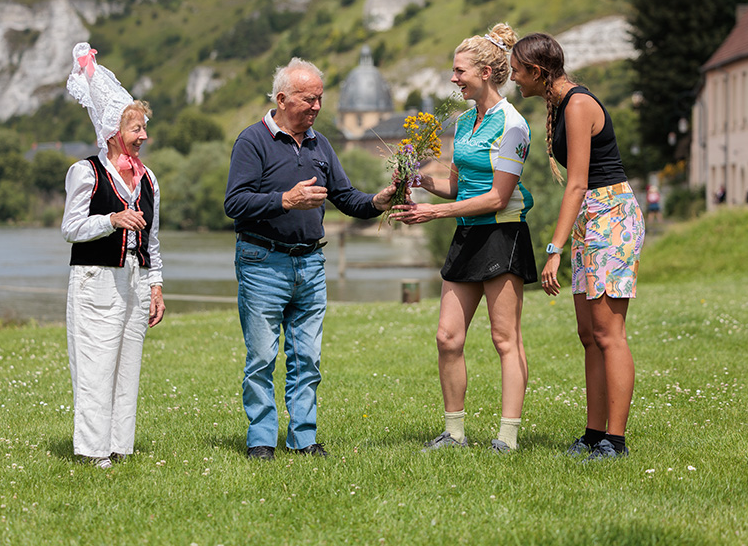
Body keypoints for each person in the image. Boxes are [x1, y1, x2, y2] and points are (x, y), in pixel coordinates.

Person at [224, 57, 397, 460]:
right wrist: (286, 200)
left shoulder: (321, 145)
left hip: (310, 265)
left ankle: (303, 440)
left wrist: (376, 201)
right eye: (308, 98)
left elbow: (346, 197)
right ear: (282, 99)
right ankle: (261, 441)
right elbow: (235, 202)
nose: (317, 106)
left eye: (320, 98)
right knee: (263, 357)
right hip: (262, 261)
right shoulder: (252, 141)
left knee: (307, 359)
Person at [393, 23, 536, 454]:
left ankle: (507, 438)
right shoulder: (466, 122)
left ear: (487, 72)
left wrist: (434, 212)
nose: (453, 79)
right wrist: (415, 177)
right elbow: (458, 188)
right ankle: (454, 433)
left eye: (459, 71)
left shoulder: (512, 125)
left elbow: (497, 196)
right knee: (447, 337)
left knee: (504, 338)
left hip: (501, 234)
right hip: (466, 233)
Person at [509, 32, 644, 461]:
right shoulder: (560, 104)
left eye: (517, 71)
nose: (514, 79)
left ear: (536, 71)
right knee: (589, 334)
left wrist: (554, 248)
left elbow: (580, 183)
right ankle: (592, 433)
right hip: (593, 215)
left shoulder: (580, 104)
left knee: (609, 334)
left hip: (611, 214)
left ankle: (615, 441)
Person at [61, 42, 166, 469]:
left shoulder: (149, 179)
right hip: (95, 279)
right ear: (113, 129)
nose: (144, 136)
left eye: (143, 128)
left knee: (128, 365)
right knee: (95, 364)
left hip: (135, 281)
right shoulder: (85, 172)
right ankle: (92, 450)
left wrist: (156, 284)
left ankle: (120, 445)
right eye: (137, 128)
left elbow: (153, 239)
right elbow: (71, 229)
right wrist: (111, 220)